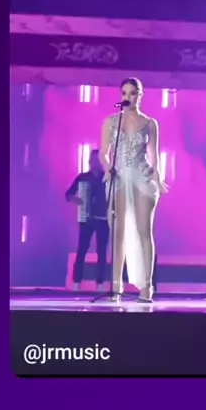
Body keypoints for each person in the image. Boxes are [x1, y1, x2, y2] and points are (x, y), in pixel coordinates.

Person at [100, 77, 169, 303]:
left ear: (140, 95)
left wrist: (158, 177)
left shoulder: (150, 123)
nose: (128, 97)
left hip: (142, 178)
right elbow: (103, 153)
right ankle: (116, 287)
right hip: (119, 178)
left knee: (143, 231)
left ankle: (146, 287)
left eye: (133, 93)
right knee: (118, 233)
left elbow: (154, 156)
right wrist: (108, 168)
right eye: (124, 93)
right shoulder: (111, 121)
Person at [65, 149, 109, 292]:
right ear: (90, 161)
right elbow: (68, 195)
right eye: (94, 159)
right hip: (87, 219)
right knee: (82, 249)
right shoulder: (82, 178)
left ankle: (100, 282)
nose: (96, 162)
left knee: (102, 251)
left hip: (103, 219)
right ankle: (77, 281)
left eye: (99, 159)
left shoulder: (107, 178)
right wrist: (77, 200)